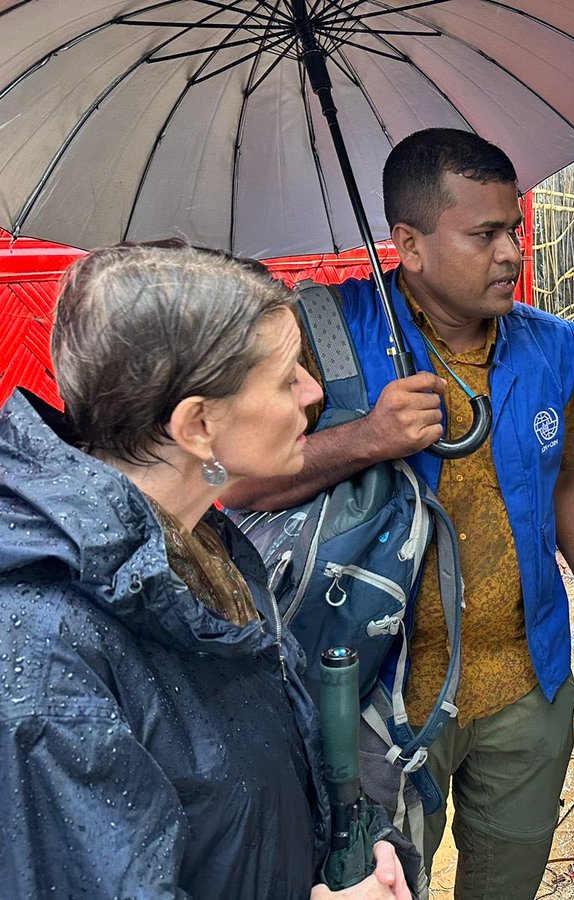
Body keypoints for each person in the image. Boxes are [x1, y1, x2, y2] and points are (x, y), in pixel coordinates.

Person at [222, 128, 574, 898]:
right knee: (382, 884)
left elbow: (567, 479)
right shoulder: (318, 339)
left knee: (506, 879)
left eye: (514, 229)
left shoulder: (552, 347)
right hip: (370, 702)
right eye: (484, 234)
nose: (511, 252)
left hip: (526, 683)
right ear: (408, 243)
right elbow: (236, 492)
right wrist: (366, 437)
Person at [0, 244, 416, 899]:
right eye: (287, 377)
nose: (312, 392)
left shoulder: (204, 542)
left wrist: (354, 845)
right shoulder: (47, 657)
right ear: (198, 425)